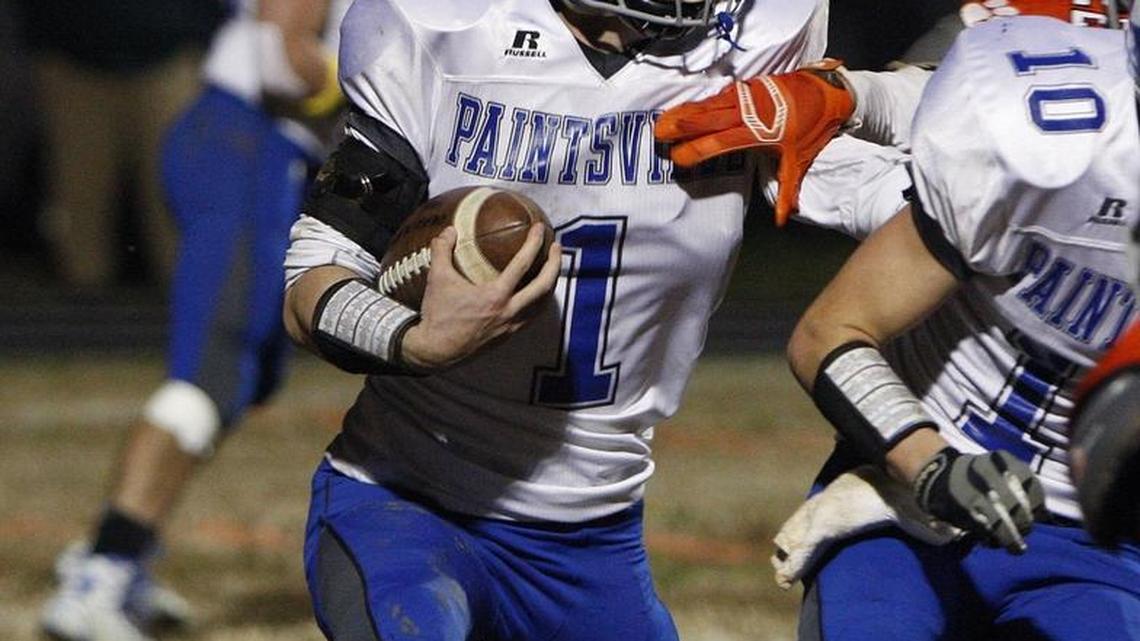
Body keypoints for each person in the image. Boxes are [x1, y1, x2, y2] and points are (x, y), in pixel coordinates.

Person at [278, 0, 857, 638]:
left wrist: (856, 97)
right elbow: (313, 279)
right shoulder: (447, 28)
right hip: (408, 509)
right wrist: (413, 342)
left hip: (595, 543)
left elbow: (913, 193)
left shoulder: (755, 40)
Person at [772, 9, 1140, 641]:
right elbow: (832, 330)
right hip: (911, 505)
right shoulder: (1042, 127)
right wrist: (931, 465)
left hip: (1100, 544)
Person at [39, 2, 348, 640]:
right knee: (207, 376)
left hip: (260, 154)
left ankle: (124, 547)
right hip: (246, 144)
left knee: (245, 378)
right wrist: (383, 84)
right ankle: (102, 571)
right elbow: (278, 55)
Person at [19, 0, 227, 289]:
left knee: (177, 201)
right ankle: (81, 323)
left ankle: (191, 319)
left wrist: (202, 31)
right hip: (73, 58)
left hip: (170, 52)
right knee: (78, 207)